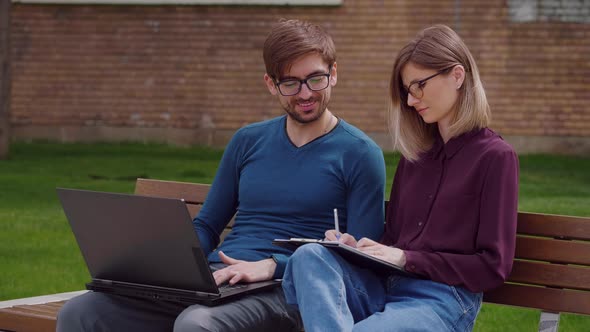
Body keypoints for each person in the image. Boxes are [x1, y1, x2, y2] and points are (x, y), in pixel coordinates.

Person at [56, 19, 386, 332]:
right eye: (290, 83)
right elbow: (208, 225)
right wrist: (166, 261)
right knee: (82, 313)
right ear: (271, 84)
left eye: (315, 79)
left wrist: (273, 265)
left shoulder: (359, 153)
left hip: (288, 289)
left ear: (334, 73)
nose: (305, 94)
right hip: (220, 280)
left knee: (196, 324)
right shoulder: (248, 141)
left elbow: (358, 257)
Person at [281, 24, 519, 332]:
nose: (410, 100)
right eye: (407, 90)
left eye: (419, 85)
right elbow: (394, 242)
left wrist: (407, 259)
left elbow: (492, 267)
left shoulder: (495, 157)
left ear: (457, 76)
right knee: (310, 256)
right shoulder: (415, 157)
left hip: (442, 301)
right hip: (385, 289)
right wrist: (357, 249)